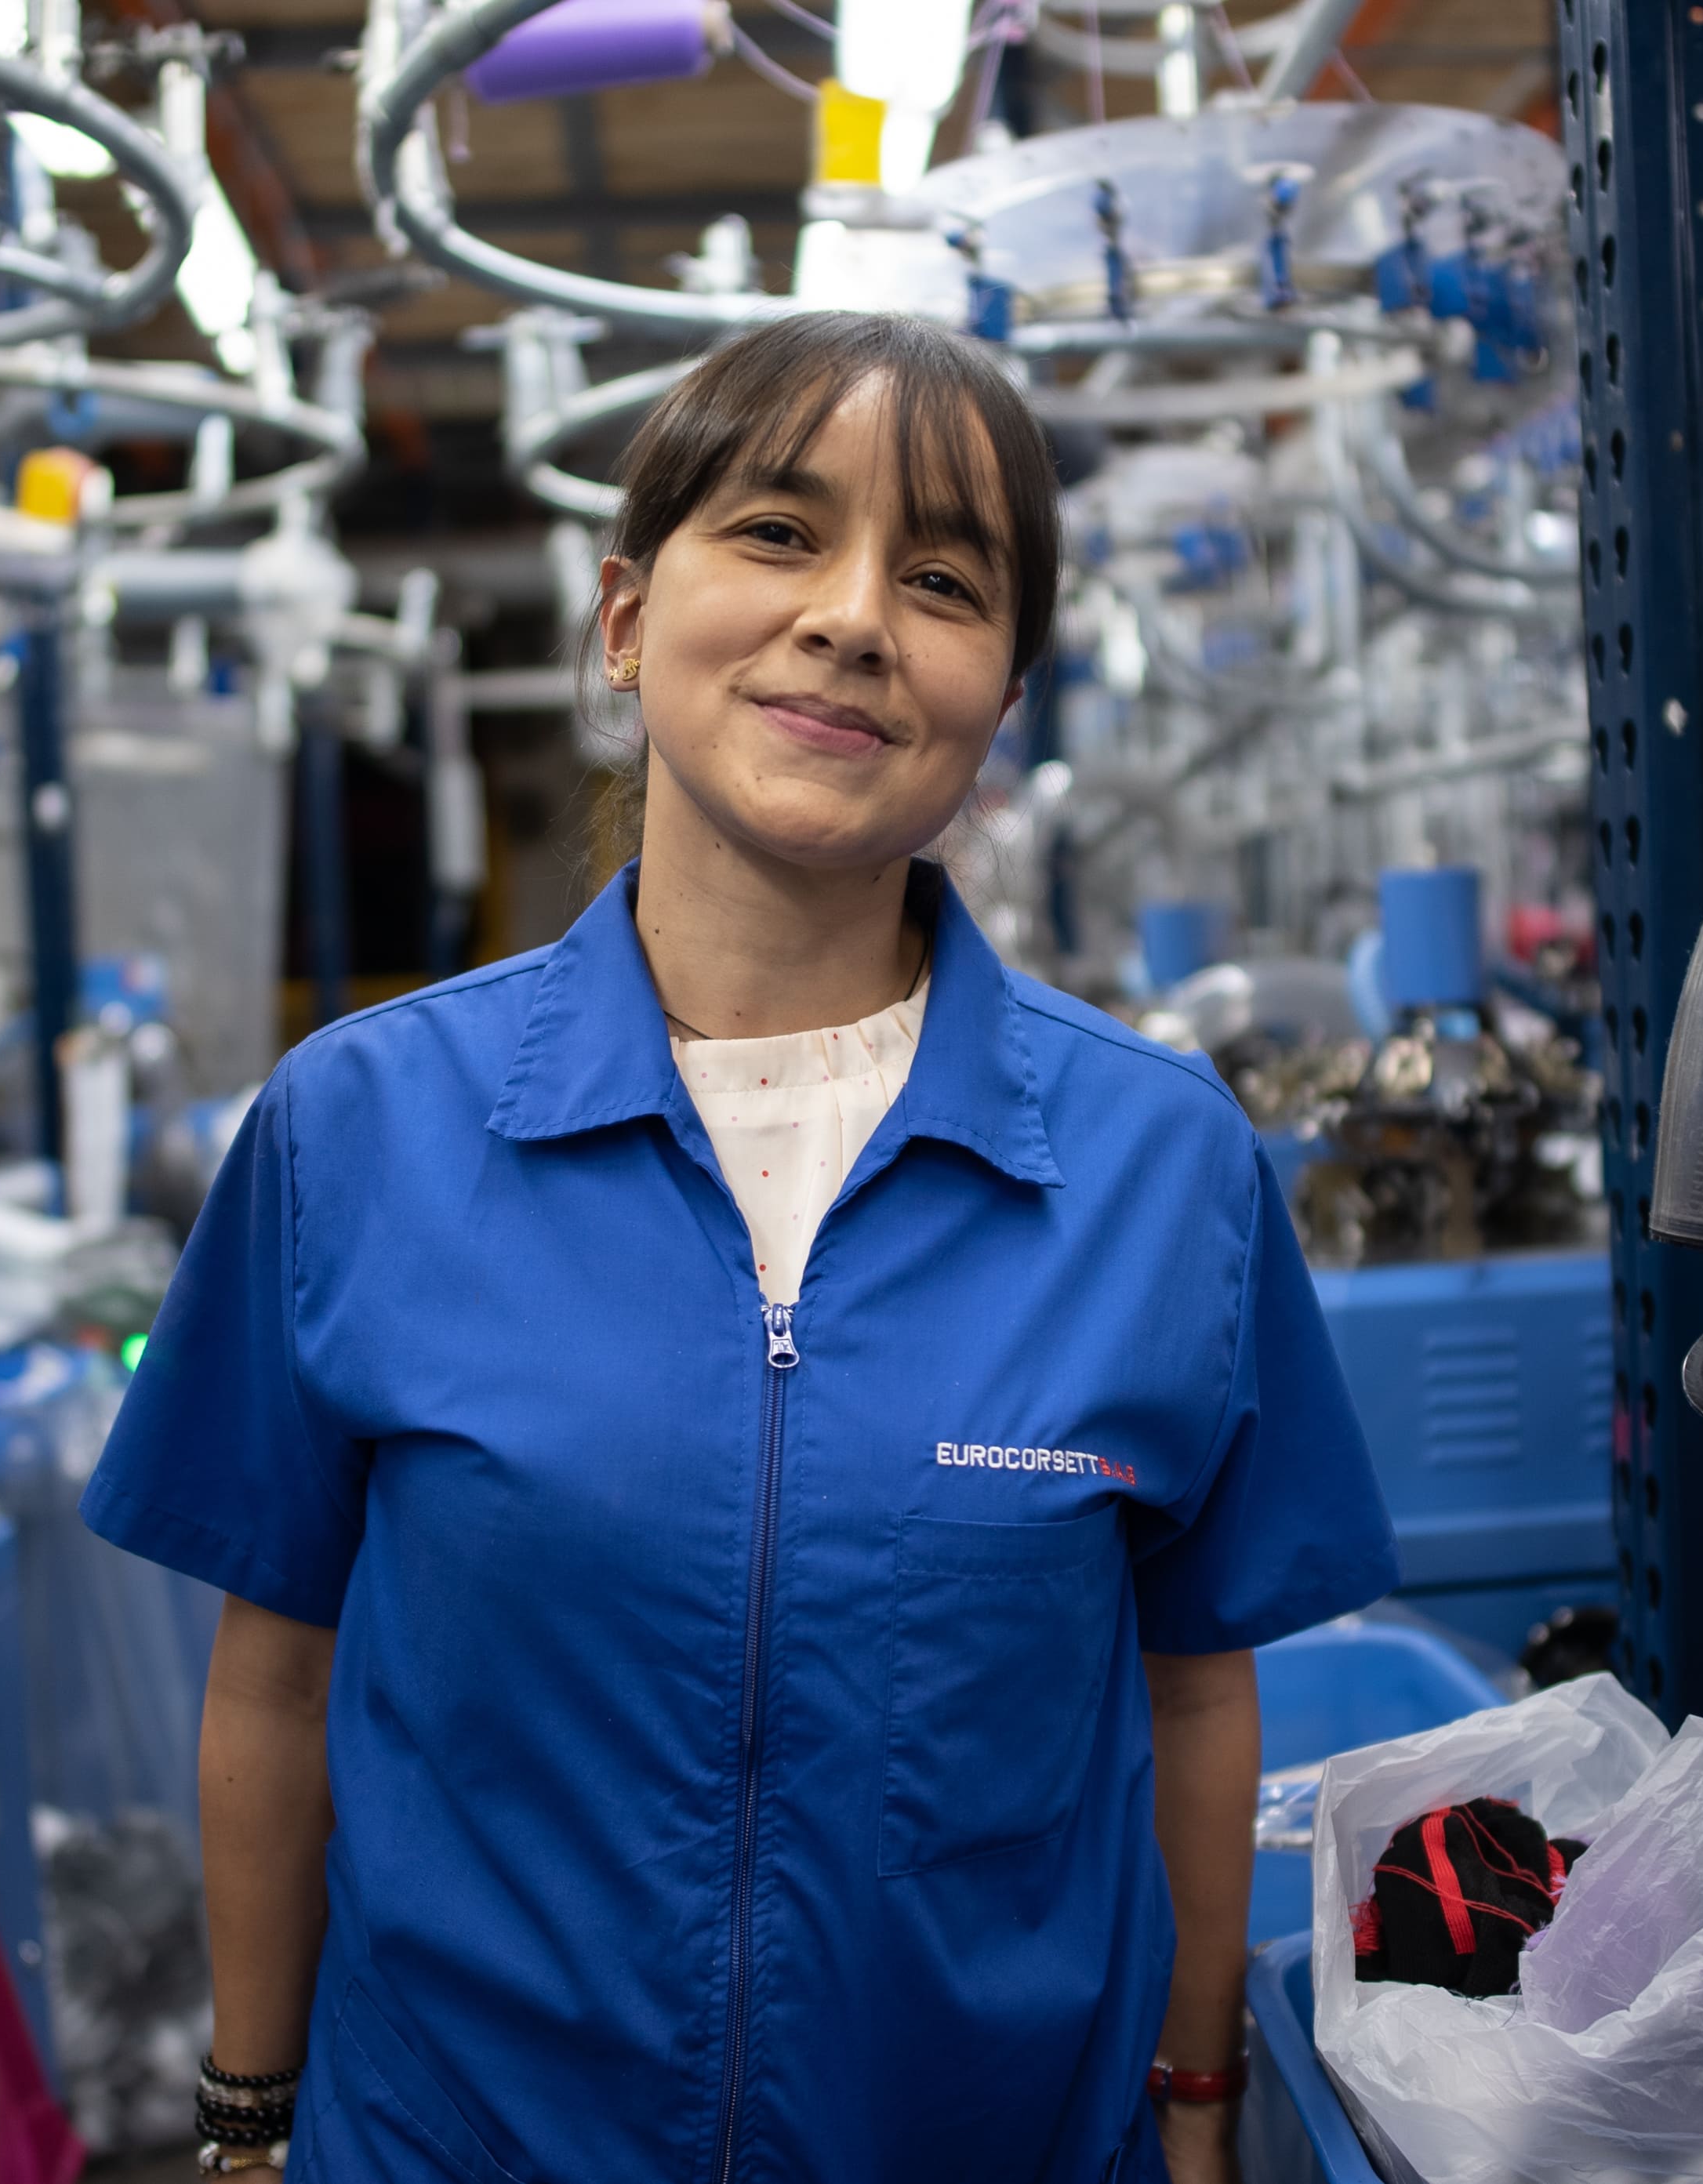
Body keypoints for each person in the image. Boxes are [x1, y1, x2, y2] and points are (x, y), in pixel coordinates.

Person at [84, 310, 1396, 2184]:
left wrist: (1197, 2118)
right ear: (626, 620)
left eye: (942, 581)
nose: (852, 617)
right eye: (779, 533)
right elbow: (275, 1677)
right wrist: (245, 2120)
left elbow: (1193, 1689)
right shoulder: (358, 1127)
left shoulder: (1157, 1164)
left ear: (1001, 697)